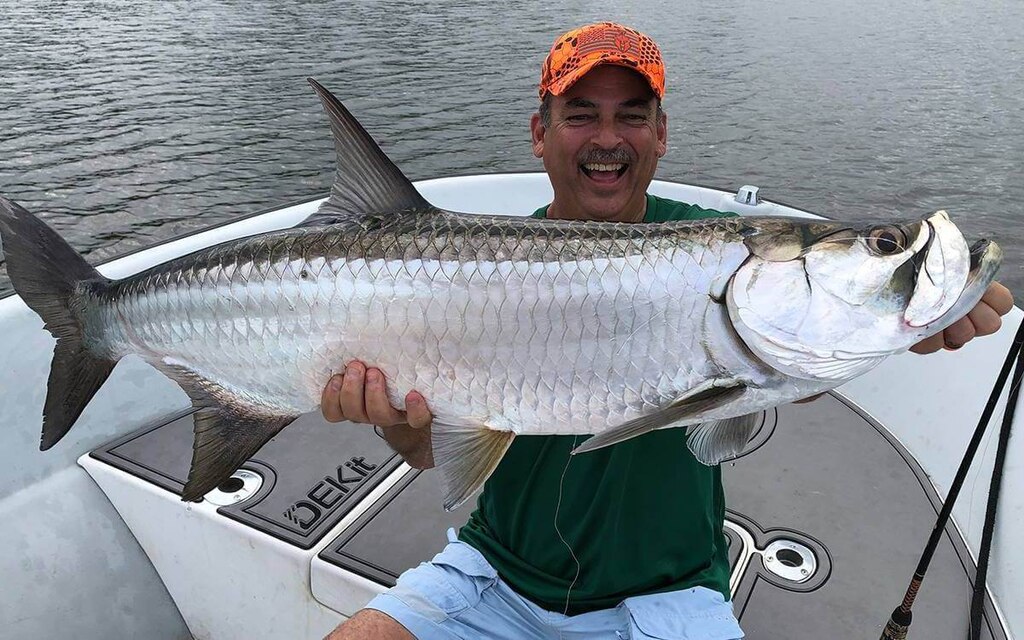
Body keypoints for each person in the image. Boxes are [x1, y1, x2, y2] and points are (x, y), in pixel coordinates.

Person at [322, 22, 1014, 640]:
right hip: (491, 575)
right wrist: (392, 419)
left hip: (668, 599)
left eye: (632, 115)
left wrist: (919, 321)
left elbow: (786, 362)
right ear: (540, 133)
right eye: (580, 114)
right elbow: (421, 452)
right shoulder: (477, 264)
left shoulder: (714, 246)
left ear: (661, 133)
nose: (606, 137)